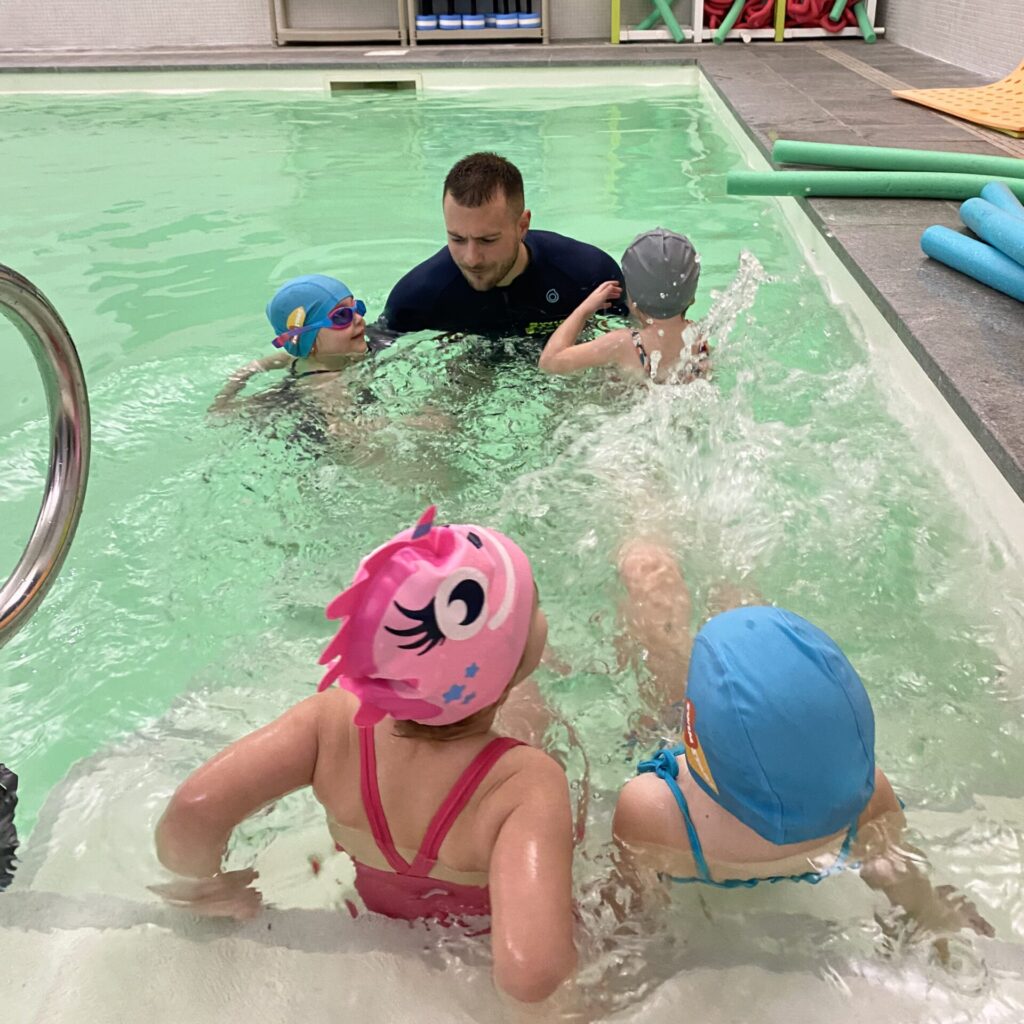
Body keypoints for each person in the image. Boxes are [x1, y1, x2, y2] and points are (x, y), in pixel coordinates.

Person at [151, 507, 577, 1004]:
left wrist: (212, 892)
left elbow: (192, 812)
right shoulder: (523, 785)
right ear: (515, 662)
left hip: (367, 918)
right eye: (534, 612)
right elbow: (531, 972)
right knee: (535, 722)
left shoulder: (331, 726)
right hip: (471, 955)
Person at [610, 542, 993, 955]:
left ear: (693, 735)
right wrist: (933, 916)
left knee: (665, 654)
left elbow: (636, 913)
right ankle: (736, 592)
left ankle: (650, 556)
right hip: (752, 757)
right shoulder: (867, 800)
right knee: (758, 655)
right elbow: (903, 881)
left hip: (694, 799)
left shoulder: (655, 812)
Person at [382, 152, 627, 341]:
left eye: (487, 240)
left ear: (522, 225)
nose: (471, 259)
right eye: (457, 239)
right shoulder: (417, 297)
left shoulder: (589, 275)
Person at [539, 228, 710, 382]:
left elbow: (549, 363)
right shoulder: (700, 342)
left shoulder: (623, 343)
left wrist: (584, 310)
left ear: (632, 300)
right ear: (691, 298)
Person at [210, 274, 386, 414]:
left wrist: (222, 400)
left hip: (288, 395)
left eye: (357, 308)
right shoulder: (329, 387)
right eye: (342, 316)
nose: (358, 319)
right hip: (301, 417)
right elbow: (356, 441)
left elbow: (254, 367)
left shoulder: (293, 357)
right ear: (307, 341)